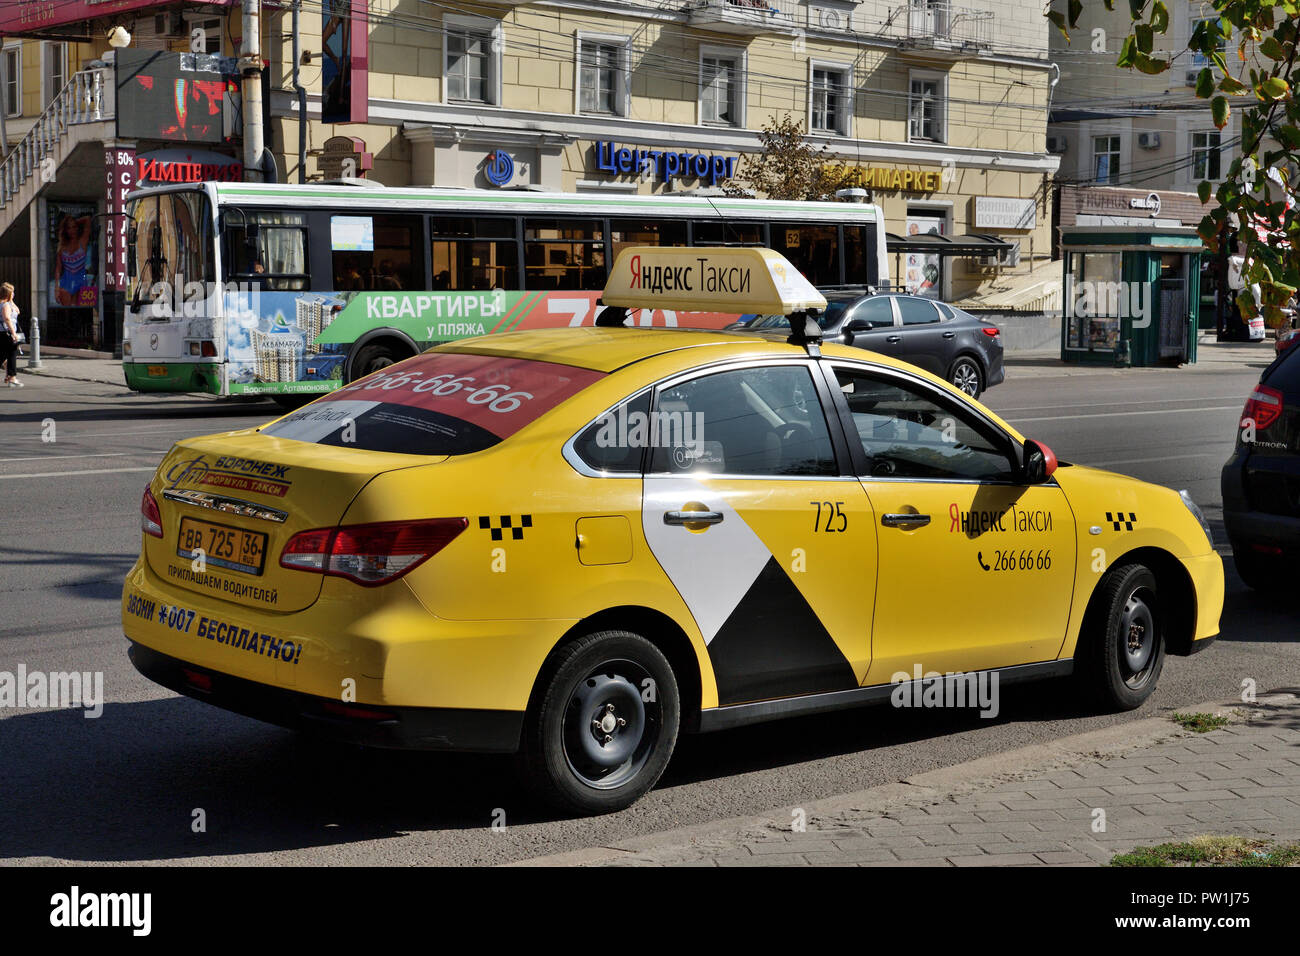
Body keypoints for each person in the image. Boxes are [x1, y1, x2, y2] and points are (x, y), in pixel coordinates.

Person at [0, 282, 22, 388]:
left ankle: (11, 376)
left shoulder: (8, 304)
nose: (14, 294)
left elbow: (18, 311)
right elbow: (7, 319)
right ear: (8, 294)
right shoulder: (4, 306)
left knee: (8, 354)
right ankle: (12, 377)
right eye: (12, 293)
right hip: (6, 333)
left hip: (5, 333)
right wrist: (13, 333)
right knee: (11, 354)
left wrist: (11, 300)